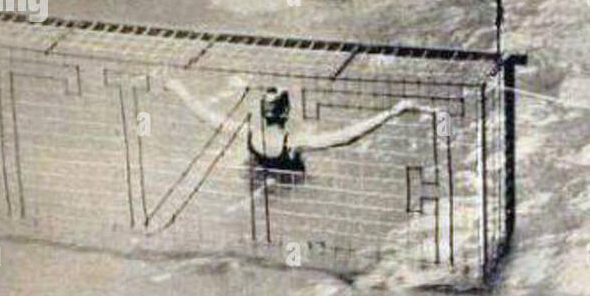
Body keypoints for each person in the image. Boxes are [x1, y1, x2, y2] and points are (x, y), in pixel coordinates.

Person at [165, 75, 431, 180]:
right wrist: (393, 111)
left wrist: (179, 88)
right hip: (290, 183)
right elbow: (346, 137)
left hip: (258, 180)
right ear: (288, 112)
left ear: (261, 112)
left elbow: (205, 114)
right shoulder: (295, 143)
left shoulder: (247, 133)